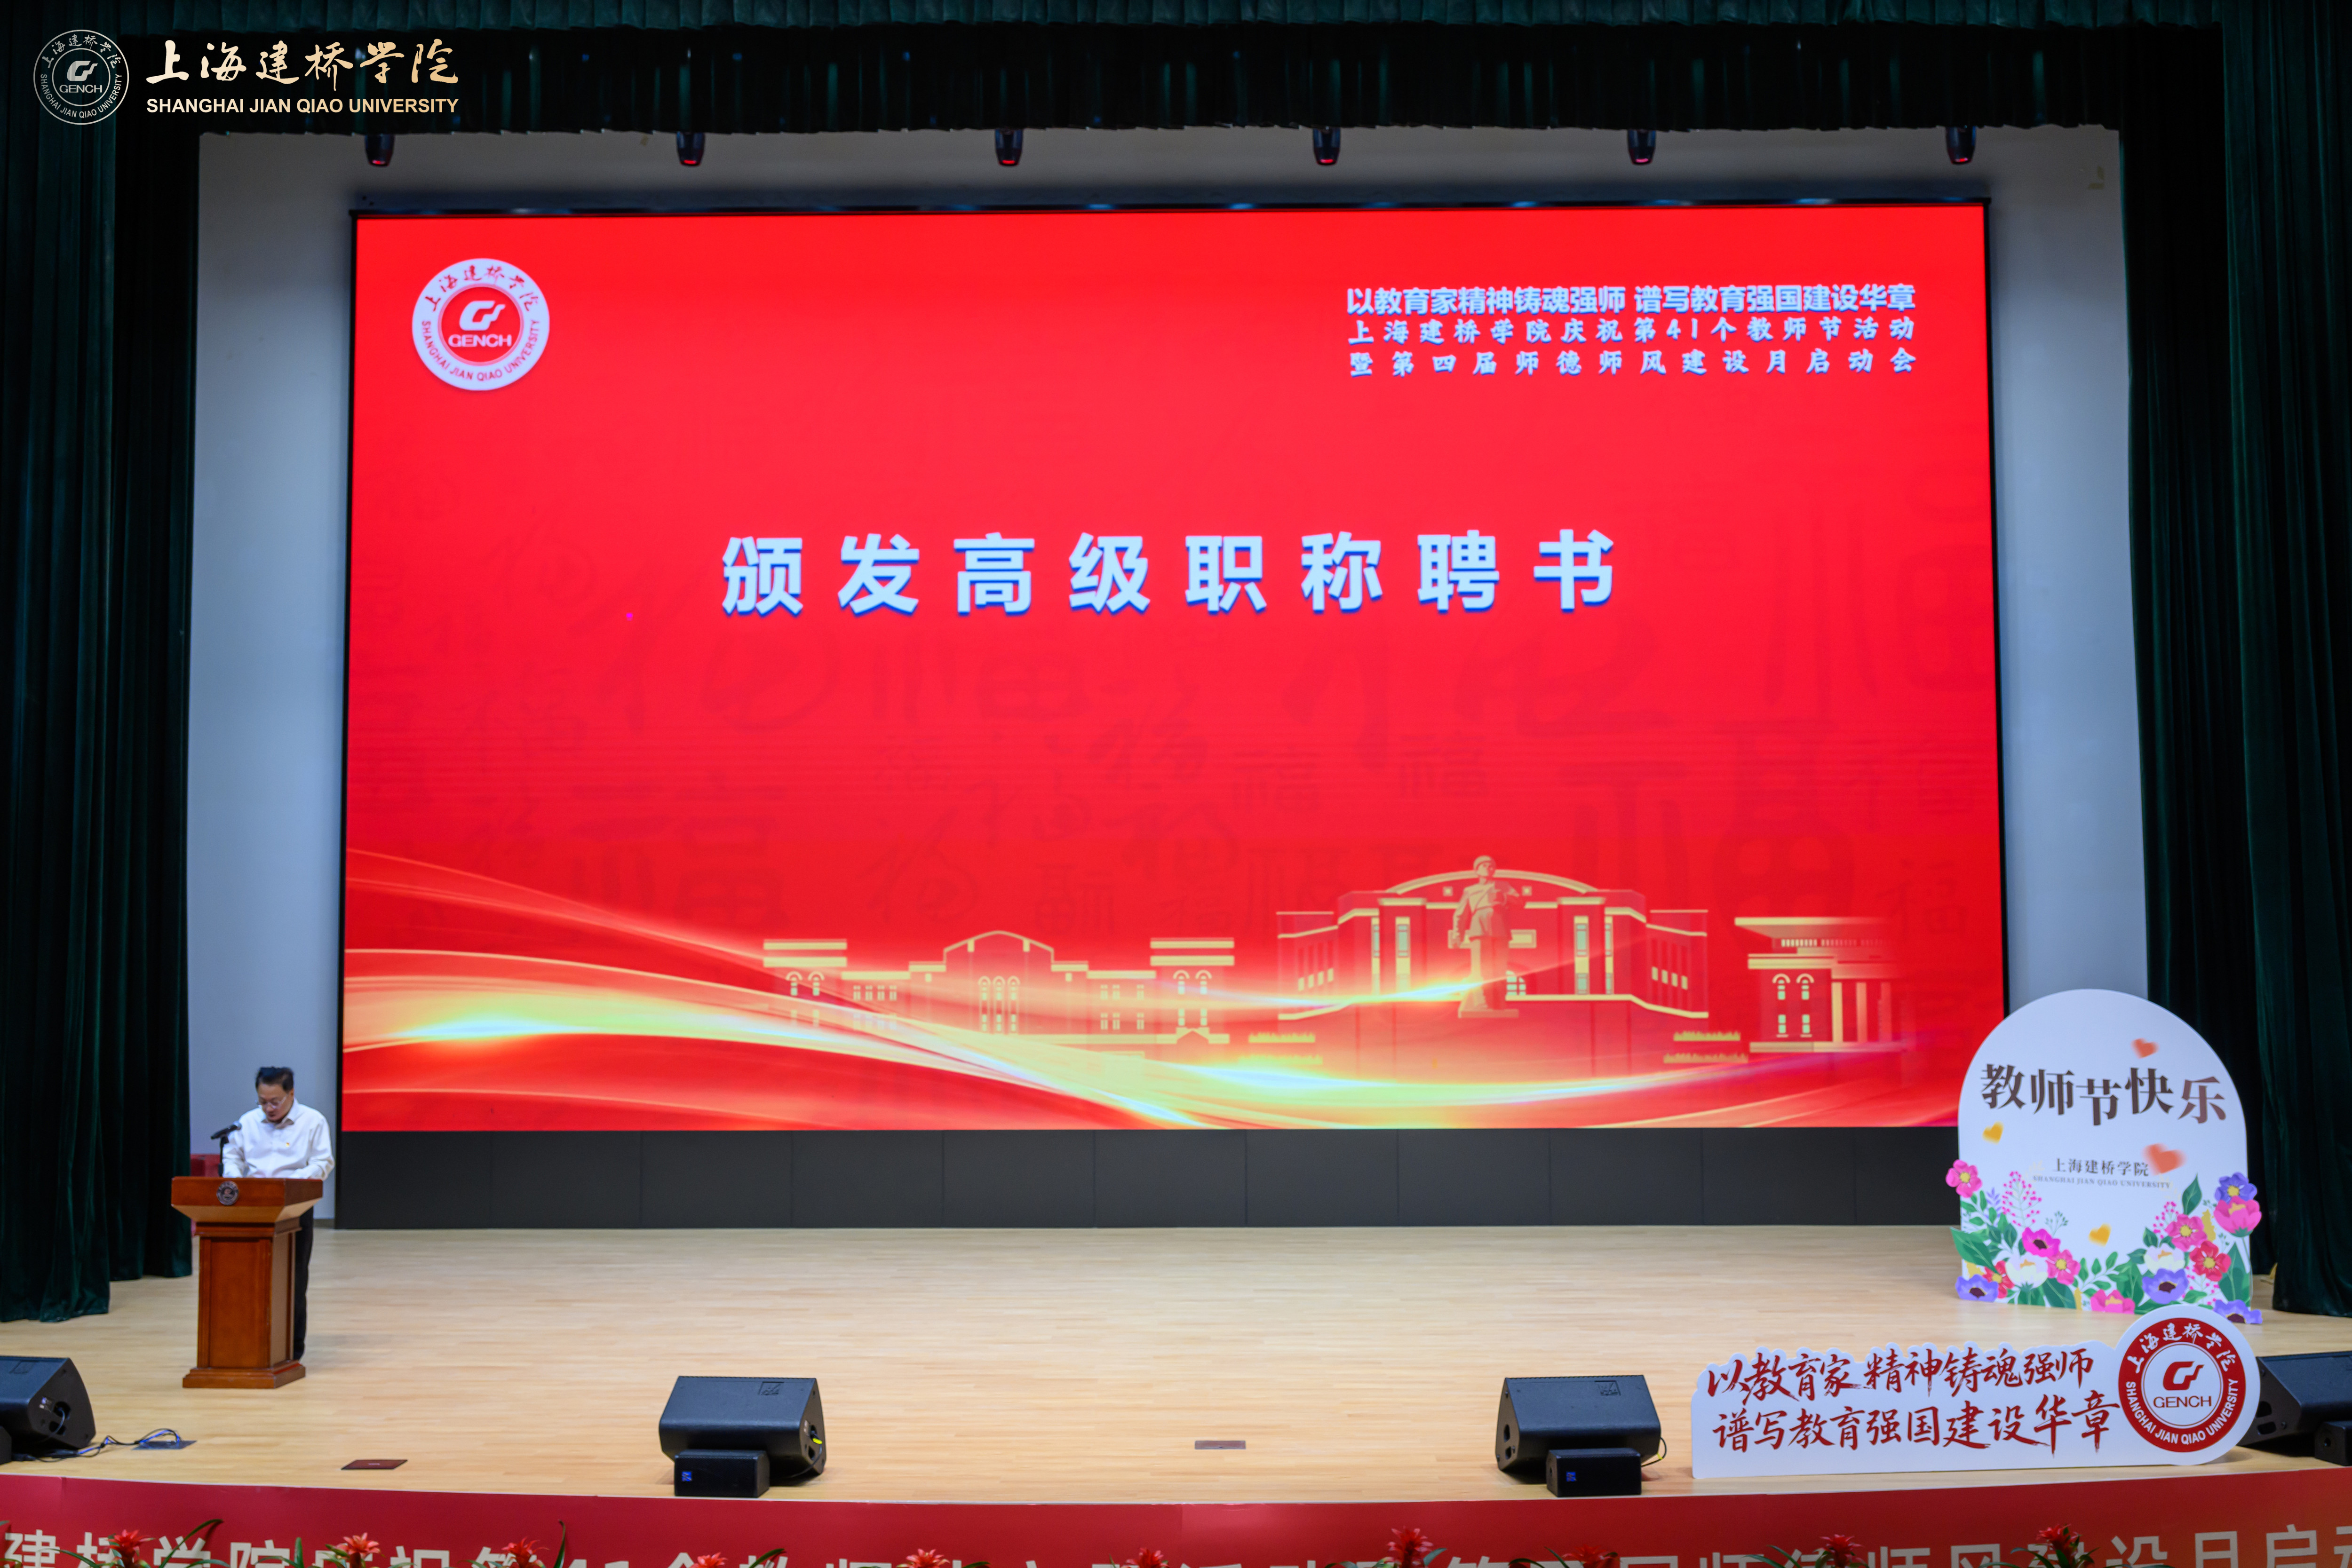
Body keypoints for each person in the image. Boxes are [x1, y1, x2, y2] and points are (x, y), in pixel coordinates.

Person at [222, 1066, 335, 1362]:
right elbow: (233, 1156)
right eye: (263, 1101)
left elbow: (323, 1162)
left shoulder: (313, 1121)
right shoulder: (247, 1123)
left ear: (291, 1094)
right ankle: (250, 1343)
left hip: (295, 1209)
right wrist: (236, 1181)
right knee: (251, 1280)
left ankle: (291, 1351)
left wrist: (290, 1185)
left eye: (275, 1102)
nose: (269, 1108)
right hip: (253, 1208)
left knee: (293, 1280)